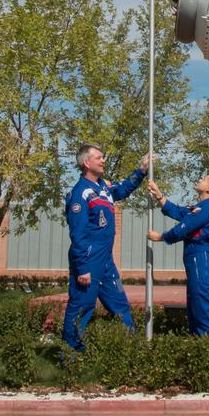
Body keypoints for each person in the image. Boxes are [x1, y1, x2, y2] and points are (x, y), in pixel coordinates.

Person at [62, 144, 152, 351]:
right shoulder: (80, 193)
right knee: (82, 307)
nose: (103, 160)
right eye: (99, 157)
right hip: (88, 260)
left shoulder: (104, 187)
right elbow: (78, 234)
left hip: (106, 261)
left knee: (120, 305)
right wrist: (82, 267)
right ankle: (71, 357)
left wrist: (142, 170)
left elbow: (123, 189)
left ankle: (131, 350)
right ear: (87, 163)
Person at [147, 173, 209, 341]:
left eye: (204, 179)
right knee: (195, 310)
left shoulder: (207, 209)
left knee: (203, 309)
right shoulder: (200, 208)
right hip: (197, 262)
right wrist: (159, 195)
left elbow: (183, 228)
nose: (199, 179)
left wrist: (161, 237)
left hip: (203, 262)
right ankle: (200, 350)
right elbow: (179, 212)